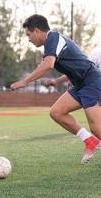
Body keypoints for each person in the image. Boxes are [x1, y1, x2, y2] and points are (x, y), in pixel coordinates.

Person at [10, 14, 101, 165]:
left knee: (97, 129)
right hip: (79, 85)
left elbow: (48, 65)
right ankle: (90, 141)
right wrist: (56, 81)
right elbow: (67, 65)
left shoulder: (53, 39)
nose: (29, 39)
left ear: (37, 31)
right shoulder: (50, 44)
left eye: (29, 35)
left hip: (91, 82)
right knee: (56, 112)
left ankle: (94, 138)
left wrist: (24, 82)